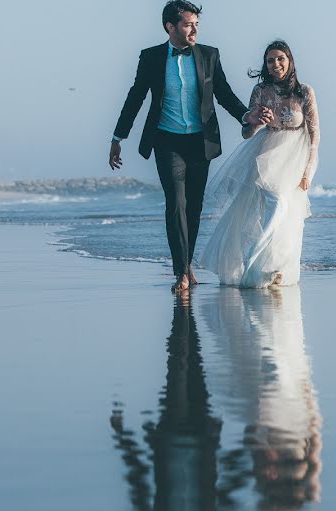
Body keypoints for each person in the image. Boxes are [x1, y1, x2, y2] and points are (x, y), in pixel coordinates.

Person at [109, 1, 267, 292]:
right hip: (166, 140)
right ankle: (180, 271)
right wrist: (118, 138)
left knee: (194, 207)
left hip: (200, 141)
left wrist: (247, 115)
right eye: (187, 24)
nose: (194, 29)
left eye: (196, 24)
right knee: (176, 204)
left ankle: (187, 262)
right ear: (170, 27)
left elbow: (223, 93)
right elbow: (136, 97)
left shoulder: (209, 55)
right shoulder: (151, 58)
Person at [198, 40, 320, 288]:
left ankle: (271, 268)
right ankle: (253, 257)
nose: (276, 64)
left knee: (289, 217)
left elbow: (315, 135)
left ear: (290, 60)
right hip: (265, 156)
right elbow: (247, 133)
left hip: (293, 160)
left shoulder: (305, 92)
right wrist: (257, 123)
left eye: (280, 59)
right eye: (270, 60)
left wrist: (308, 172)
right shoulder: (261, 91)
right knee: (271, 205)